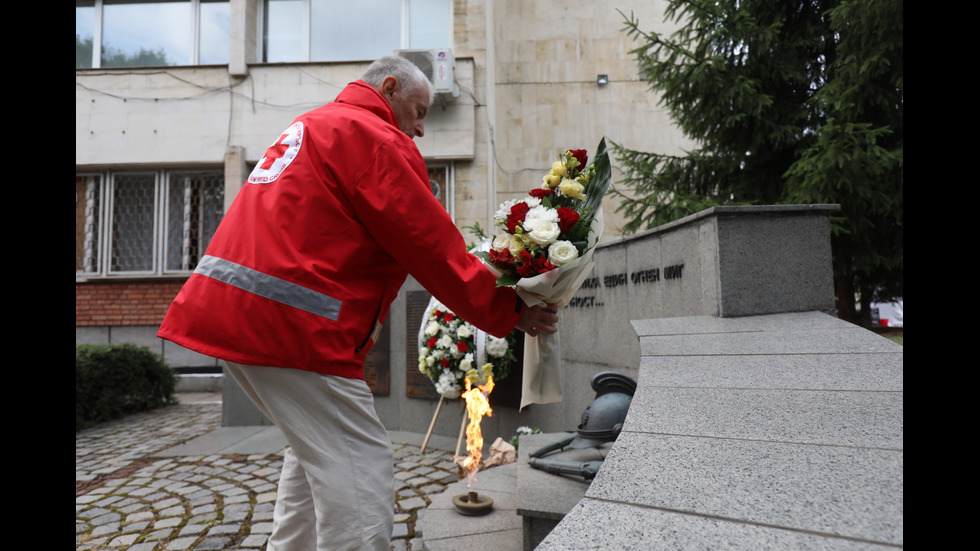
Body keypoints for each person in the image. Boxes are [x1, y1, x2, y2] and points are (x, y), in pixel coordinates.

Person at [157, 55, 559, 550]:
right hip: (297, 330)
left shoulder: (313, 125)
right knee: (360, 465)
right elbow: (431, 245)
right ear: (388, 88)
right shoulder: (373, 138)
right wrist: (512, 311)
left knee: (315, 459)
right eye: (418, 111)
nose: (421, 129)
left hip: (237, 315)